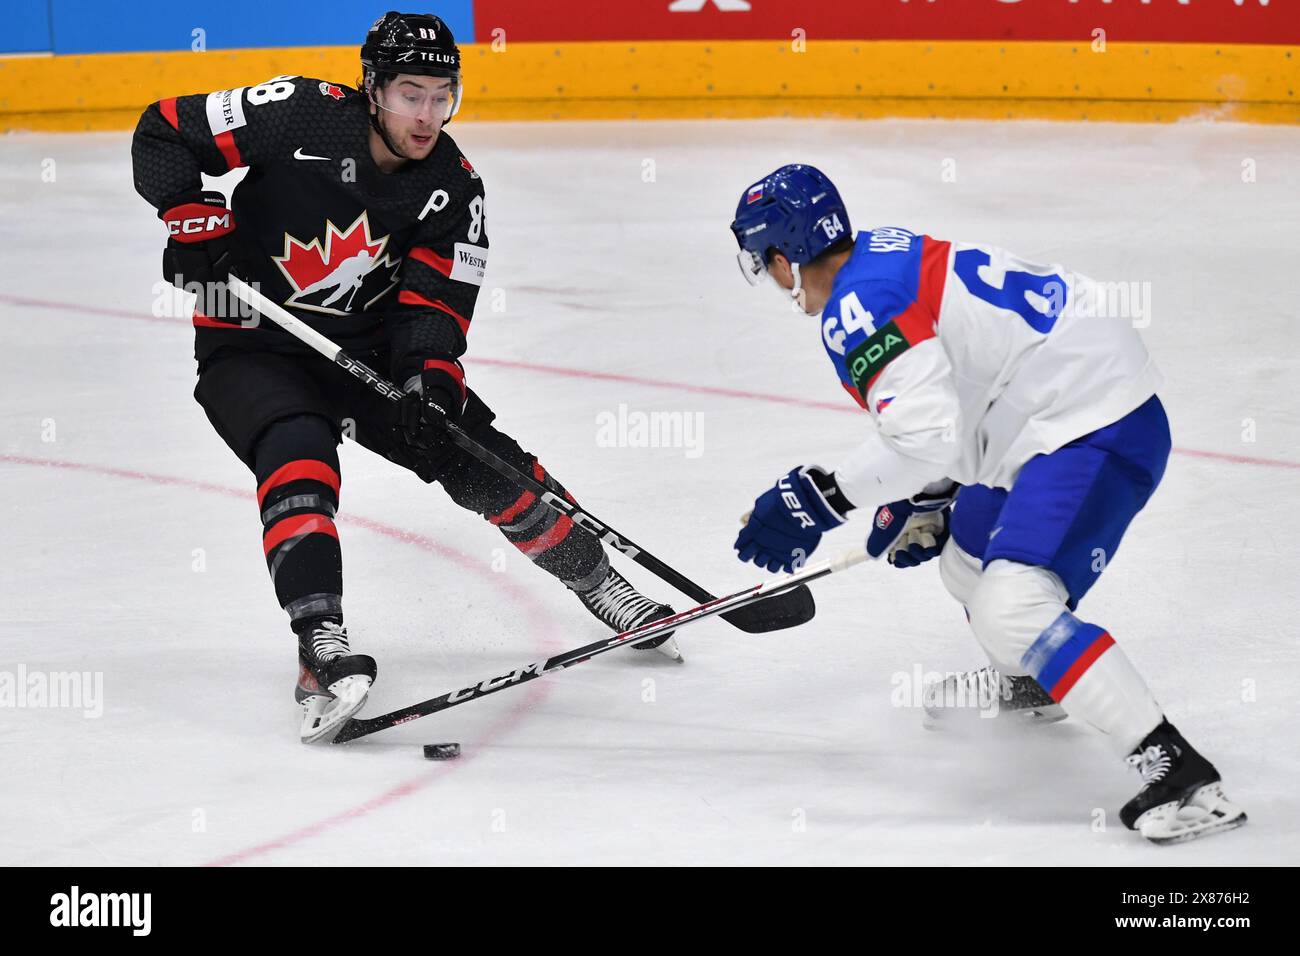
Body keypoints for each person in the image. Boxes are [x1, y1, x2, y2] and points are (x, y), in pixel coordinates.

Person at [131, 12, 679, 743]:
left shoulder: (453, 187)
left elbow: (436, 305)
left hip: (367, 357)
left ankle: (598, 579)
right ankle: (321, 644)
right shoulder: (296, 114)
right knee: (298, 453)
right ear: (372, 89)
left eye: (441, 95)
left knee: (477, 457)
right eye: (409, 94)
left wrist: (429, 383)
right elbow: (163, 129)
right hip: (253, 345)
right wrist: (192, 216)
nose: (426, 115)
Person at [726, 164, 1245, 844]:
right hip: (1057, 402)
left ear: (780, 256)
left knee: (1012, 605)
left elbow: (925, 433)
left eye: (762, 265)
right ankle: (1035, 679)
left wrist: (819, 500)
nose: (767, 280)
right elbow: (958, 388)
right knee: (966, 557)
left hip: (1092, 422)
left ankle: (1184, 777)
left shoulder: (858, 307)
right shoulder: (881, 254)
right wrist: (934, 495)